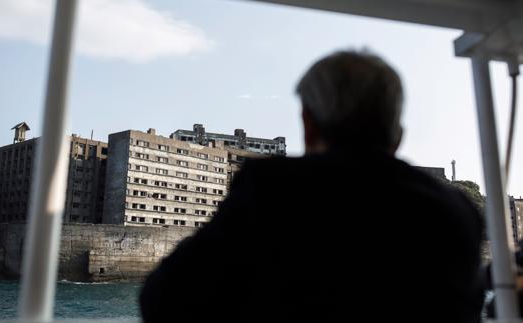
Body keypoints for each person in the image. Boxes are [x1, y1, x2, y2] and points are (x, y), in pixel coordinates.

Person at [140, 50, 484, 322]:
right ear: (397, 133)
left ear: (308, 124)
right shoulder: (458, 211)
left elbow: (163, 300)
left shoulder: (274, 189)